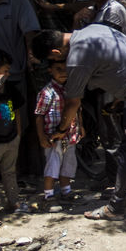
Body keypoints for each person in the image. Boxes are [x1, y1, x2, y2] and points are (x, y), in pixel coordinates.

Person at [32, 25, 126, 220]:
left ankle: (116, 207)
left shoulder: (78, 56)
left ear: (56, 51)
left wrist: (61, 129)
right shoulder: (93, 29)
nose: (58, 62)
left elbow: (73, 102)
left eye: (55, 59)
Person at [34, 59, 83, 208]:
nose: (63, 73)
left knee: (68, 166)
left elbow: (77, 109)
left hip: (70, 136)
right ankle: (48, 196)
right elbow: (39, 115)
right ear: (50, 70)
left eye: (65, 69)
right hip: (53, 138)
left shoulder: (71, 89)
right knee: (52, 166)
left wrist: (81, 127)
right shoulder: (46, 92)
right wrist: (42, 136)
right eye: (58, 69)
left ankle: (66, 192)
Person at [0, 50, 28, 213]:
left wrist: (18, 134)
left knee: (9, 172)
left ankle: (13, 202)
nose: (8, 74)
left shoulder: (10, 88)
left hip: (10, 138)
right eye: (5, 70)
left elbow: (16, 111)